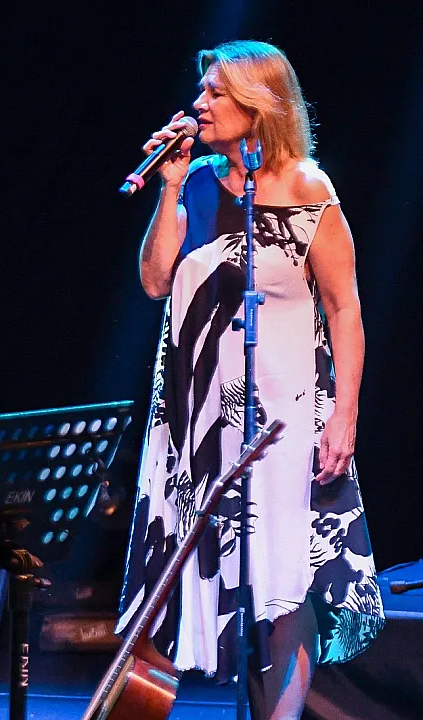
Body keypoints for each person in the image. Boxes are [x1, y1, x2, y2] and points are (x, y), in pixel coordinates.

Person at [118, 40, 383, 720]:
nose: (198, 103)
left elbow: (345, 308)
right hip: (196, 413)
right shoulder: (198, 181)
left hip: (285, 415)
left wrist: (345, 414)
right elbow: (155, 282)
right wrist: (169, 186)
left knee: (285, 576)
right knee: (182, 567)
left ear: (257, 104)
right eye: (202, 90)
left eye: (215, 92)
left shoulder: (308, 188)